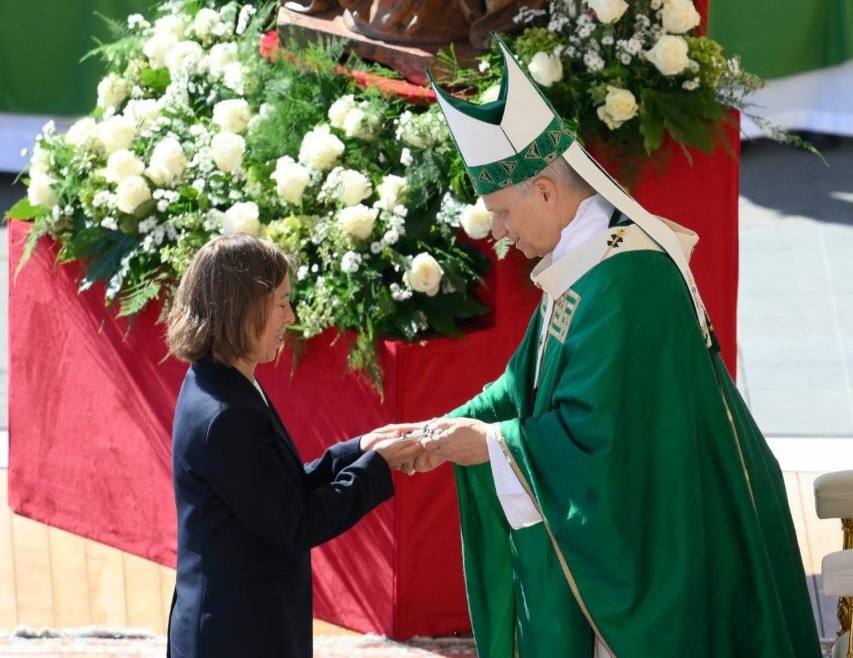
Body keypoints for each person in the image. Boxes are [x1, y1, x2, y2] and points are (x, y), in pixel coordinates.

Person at [411, 34, 823, 657]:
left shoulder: (625, 282)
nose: (496, 234)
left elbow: (600, 447)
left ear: (546, 192)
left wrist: (485, 446)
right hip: (656, 512)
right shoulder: (580, 256)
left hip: (685, 530)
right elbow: (524, 383)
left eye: (500, 212)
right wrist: (443, 430)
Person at [165, 234, 422, 658]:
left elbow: (275, 488)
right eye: (281, 302)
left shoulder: (223, 381)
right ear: (243, 308)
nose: (291, 315)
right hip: (233, 635)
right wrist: (378, 467)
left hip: (249, 620)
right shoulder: (224, 414)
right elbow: (297, 522)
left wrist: (359, 449)